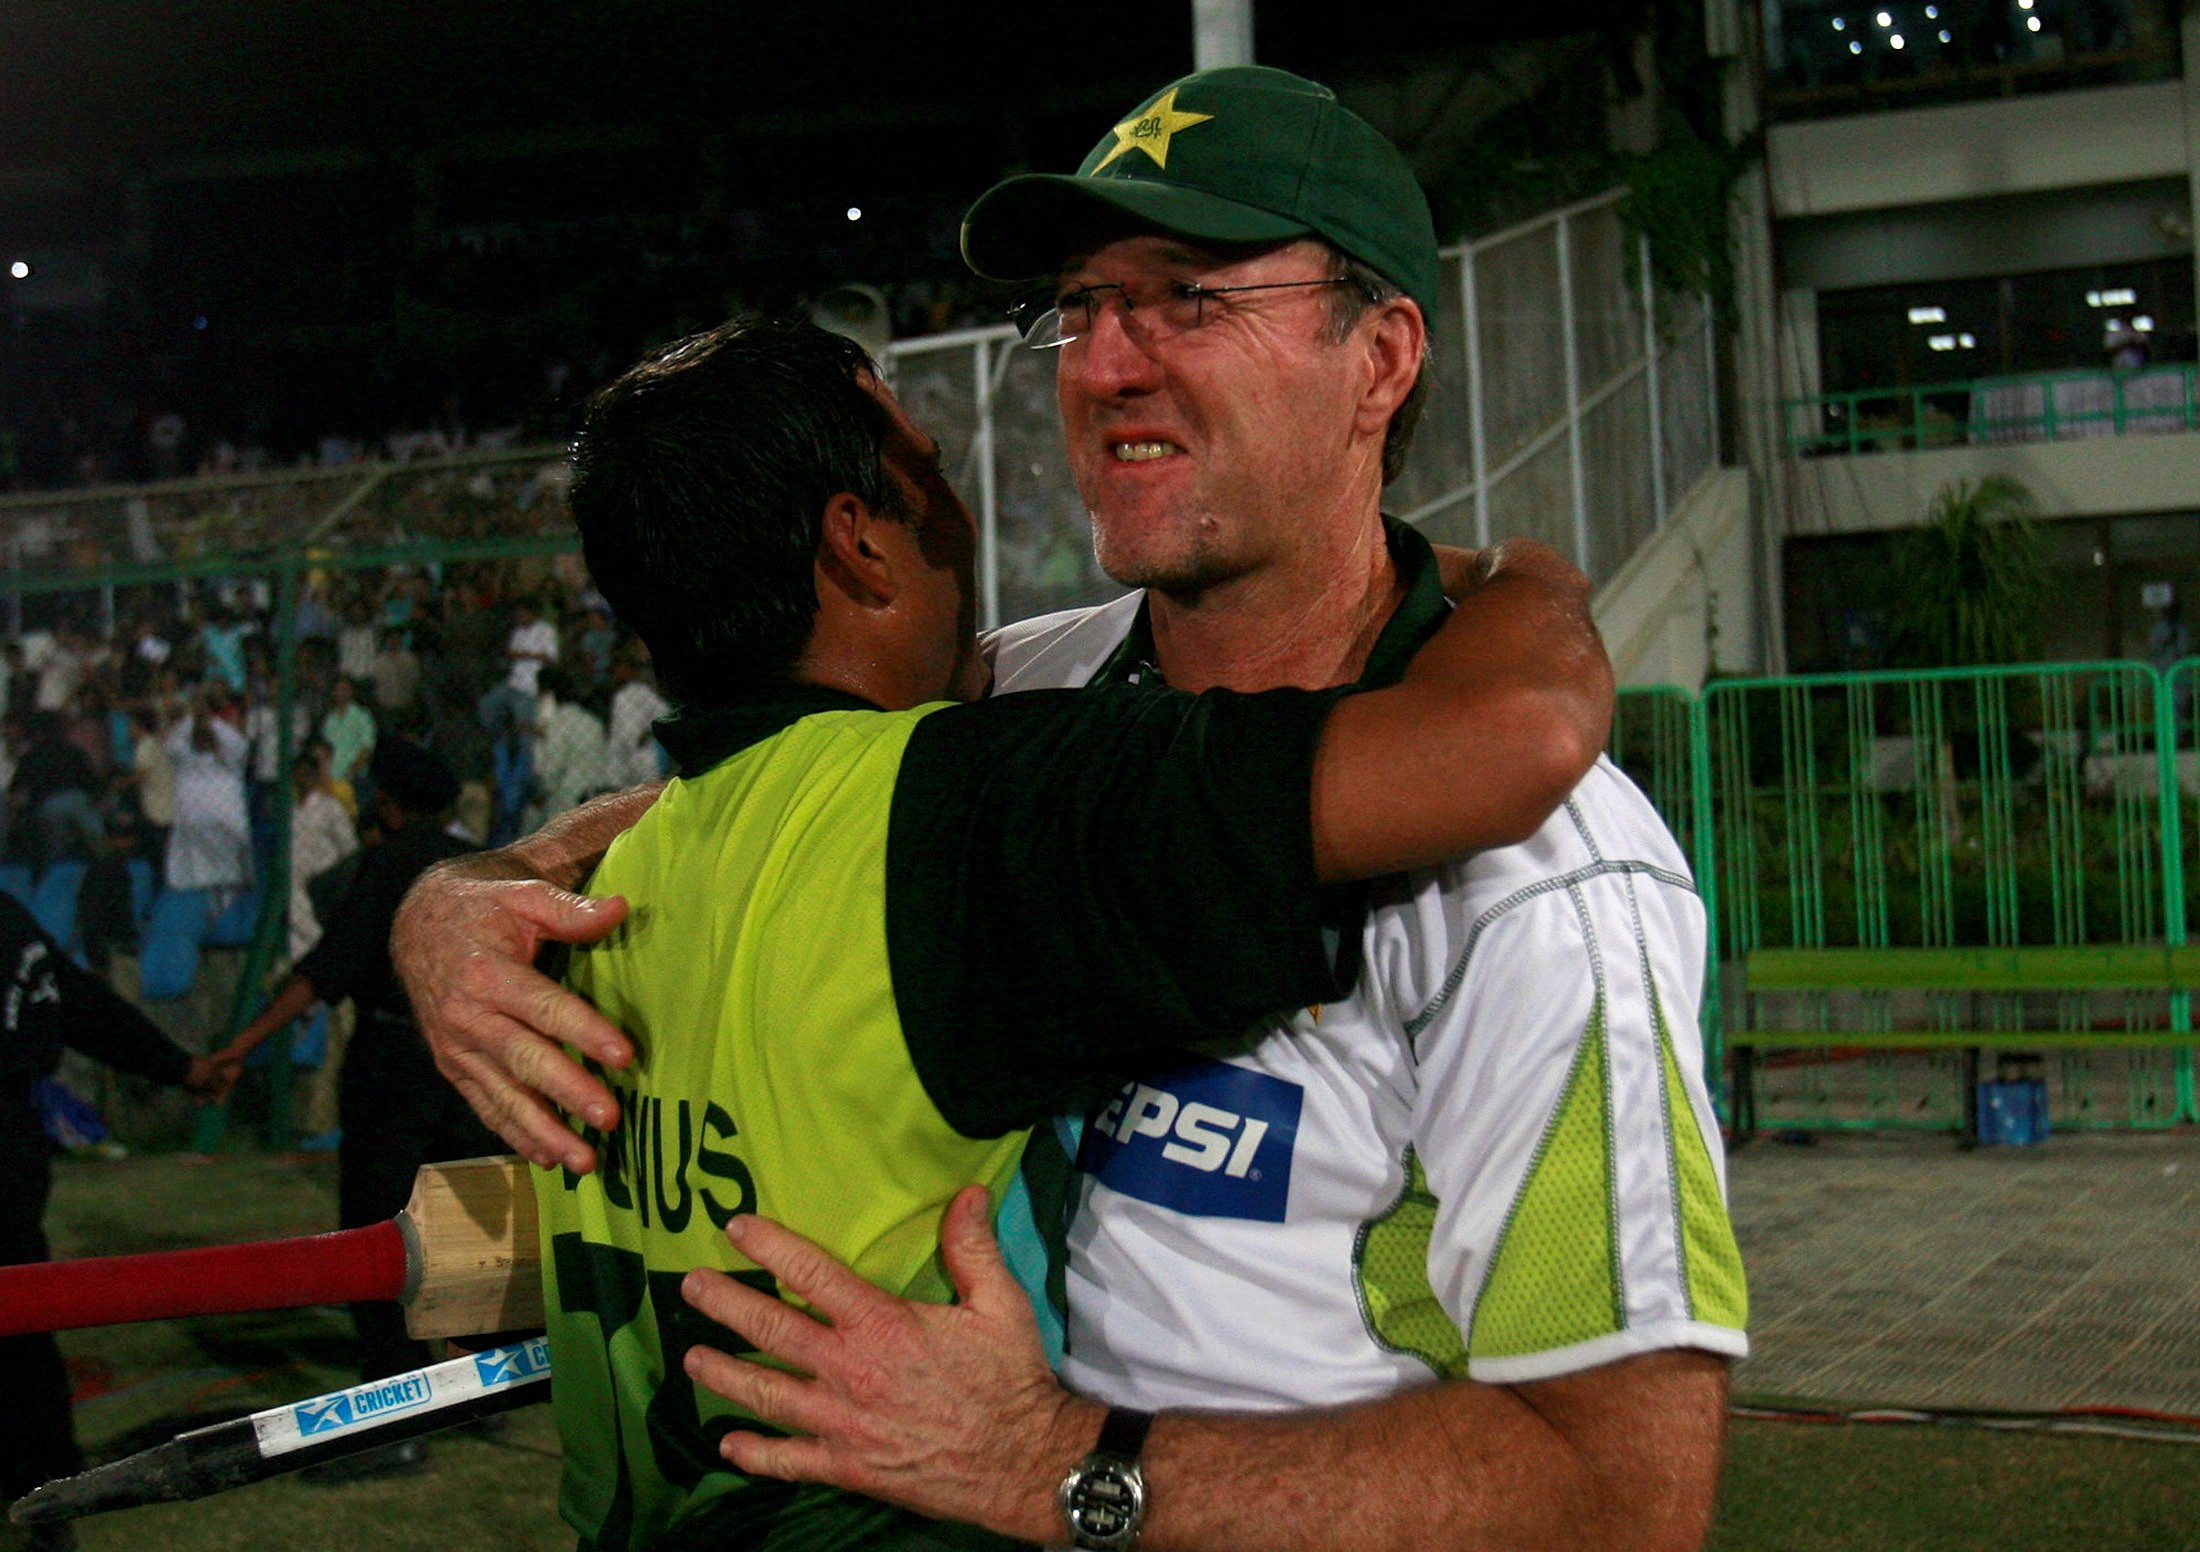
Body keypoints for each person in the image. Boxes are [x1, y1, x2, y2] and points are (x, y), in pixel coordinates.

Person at [396, 65, 1743, 1551]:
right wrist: (454, 901)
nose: (1106, 364)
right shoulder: (1024, 695)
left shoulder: (1550, 882)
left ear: (1382, 358)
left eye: (1189, 299)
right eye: (1084, 304)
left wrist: (1054, 1465)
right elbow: (755, 796)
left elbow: (1626, 1501)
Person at [498, 312, 1604, 1551]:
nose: (958, 510)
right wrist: (1526, 578)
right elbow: (1510, 737)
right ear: (858, 543)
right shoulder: (975, 810)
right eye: (929, 469)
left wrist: (452, 891)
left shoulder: (589, 911)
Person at [208, 739, 498, 1456]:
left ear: (389, 804)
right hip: (473, 1059)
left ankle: (394, 1406)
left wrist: (244, 1045)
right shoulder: (481, 865)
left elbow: (326, 970)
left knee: (381, 1227)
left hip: (396, 1062)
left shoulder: (392, 864)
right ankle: (481, 1383)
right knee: (467, 1224)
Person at [0, 891, 219, 1535]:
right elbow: (84, 1006)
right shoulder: (11, 919)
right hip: (11, 1135)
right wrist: (178, 1067)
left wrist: (178, 1067)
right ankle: (44, 1481)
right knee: (19, 1316)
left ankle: (42, 1488)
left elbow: (83, 1007)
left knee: (16, 1312)